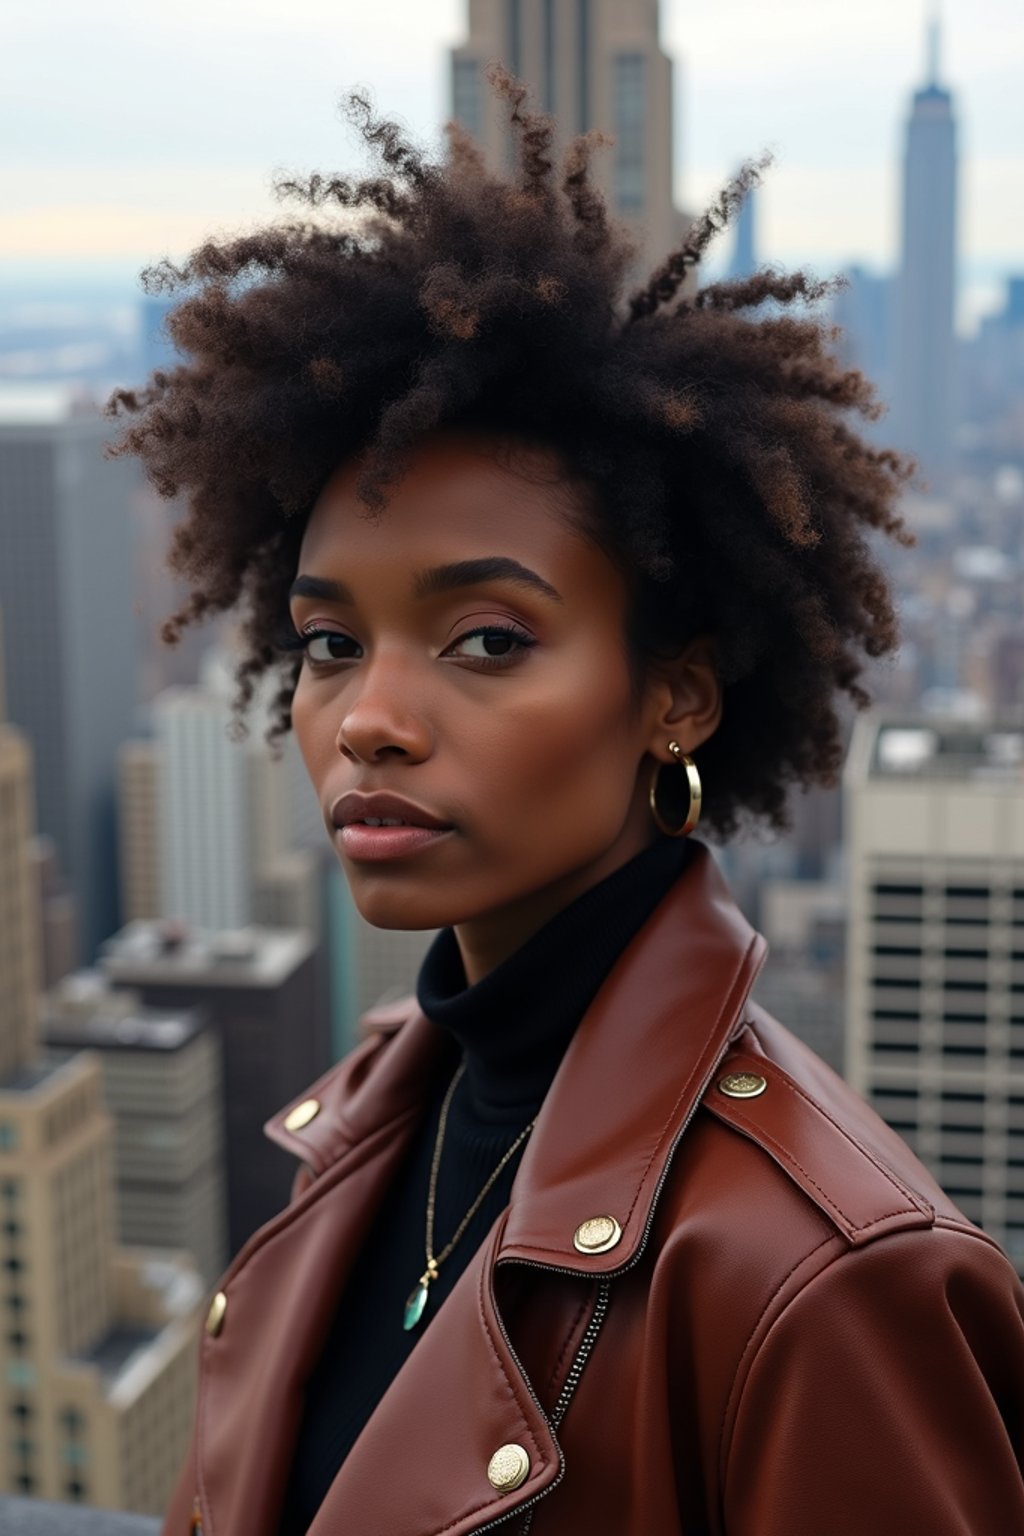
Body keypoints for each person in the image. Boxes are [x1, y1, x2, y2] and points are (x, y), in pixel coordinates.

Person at [109, 67, 1024, 1536]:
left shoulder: (828, 1275)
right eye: (330, 642)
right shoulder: (369, 1109)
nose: (374, 723)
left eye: (488, 640)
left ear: (678, 694)